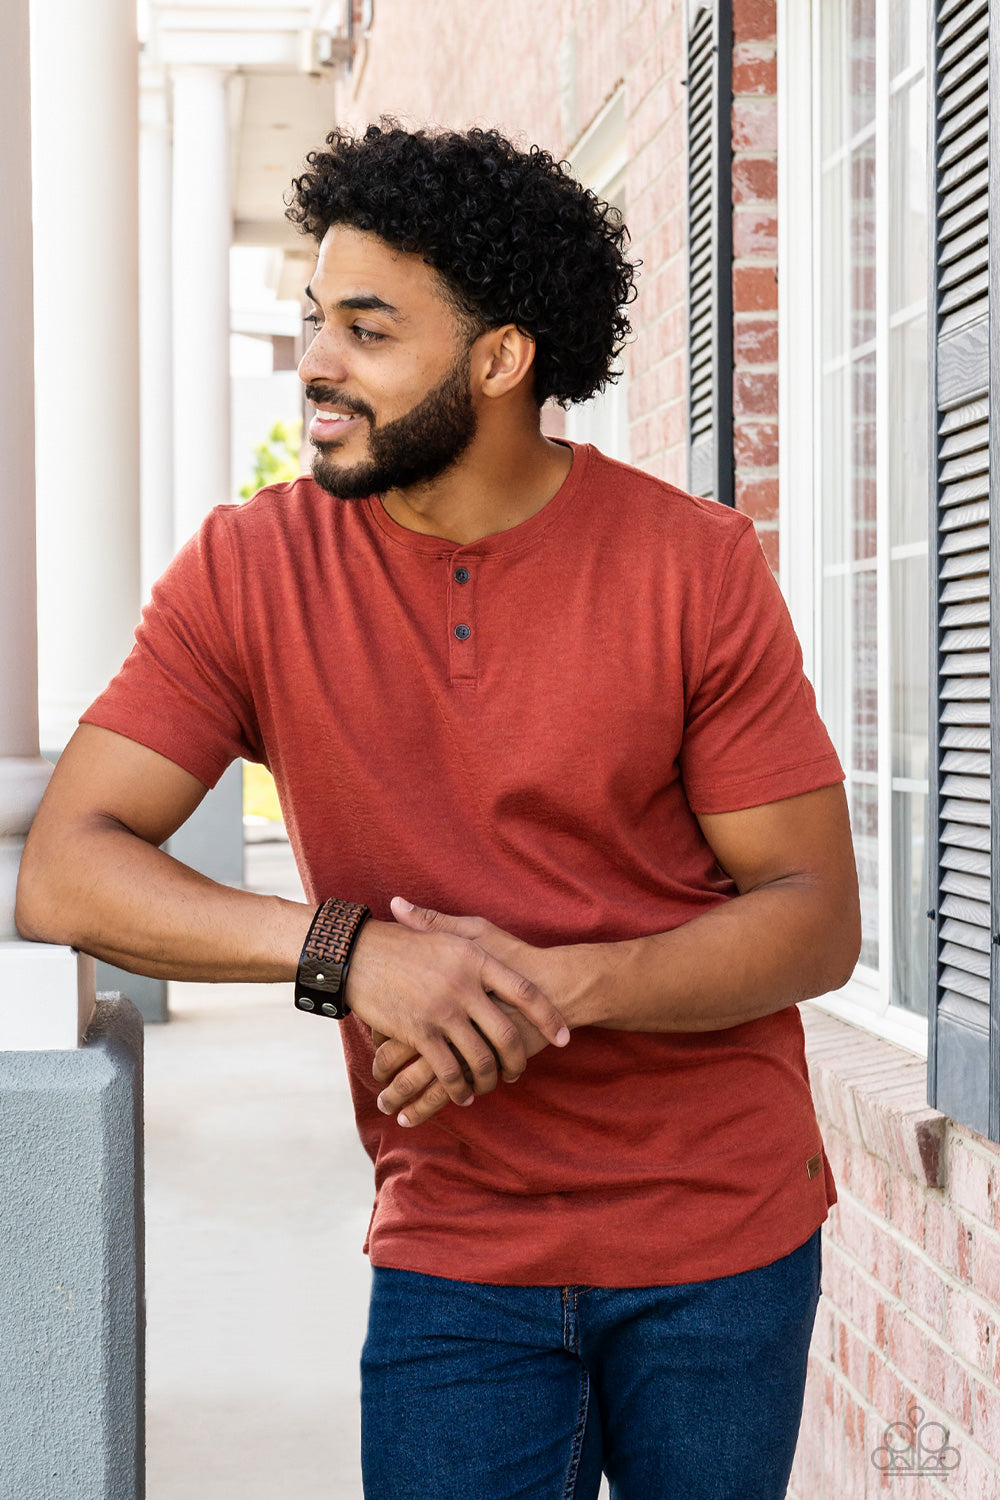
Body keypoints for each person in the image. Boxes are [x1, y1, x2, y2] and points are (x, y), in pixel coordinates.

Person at [17, 123, 860, 1500]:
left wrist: (537, 990)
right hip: (456, 1237)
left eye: (367, 328)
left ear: (500, 359)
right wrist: (358, 956)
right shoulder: (249, 570)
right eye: (313, 320)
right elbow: (67, 872)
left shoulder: (694, 567)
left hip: (718, 1234)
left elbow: (814, 918)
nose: (319, 365)